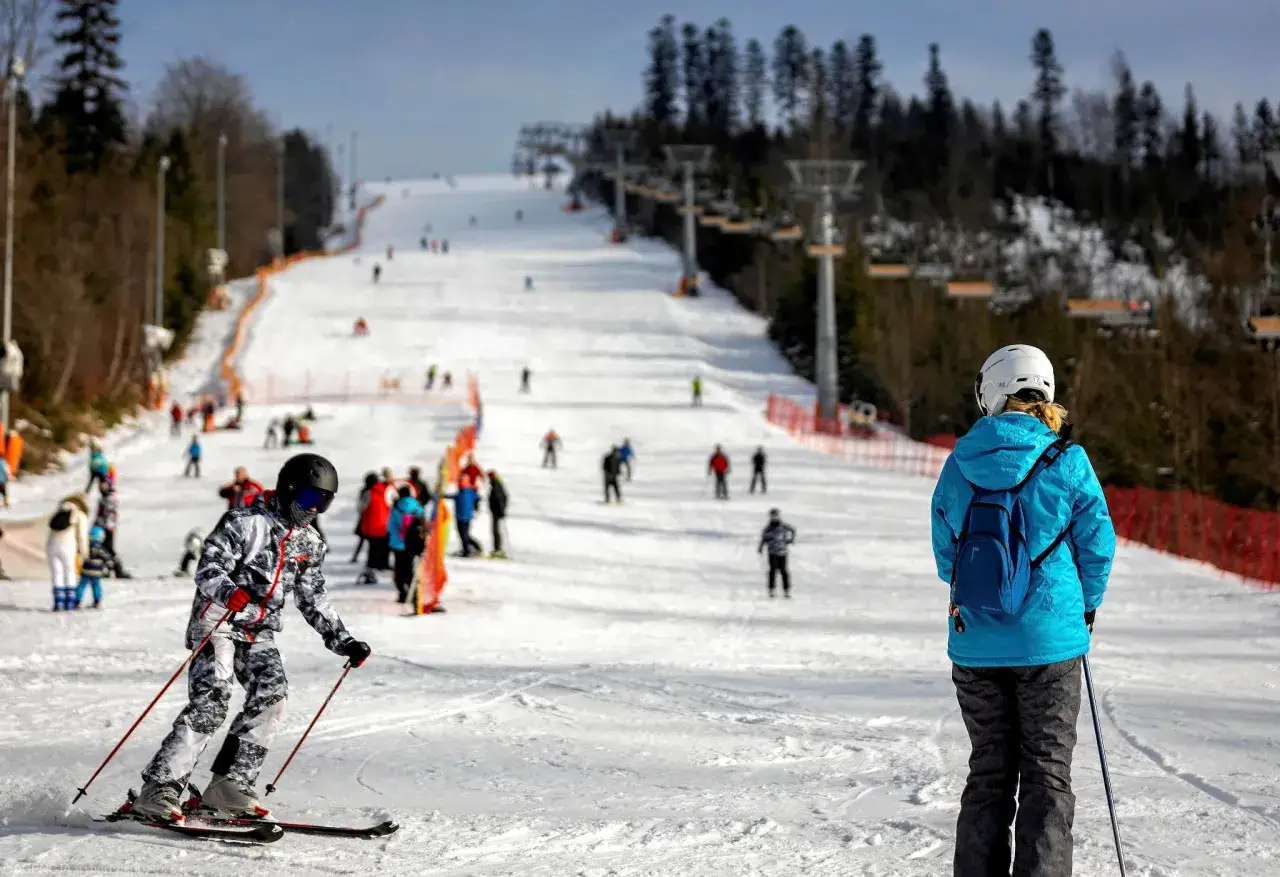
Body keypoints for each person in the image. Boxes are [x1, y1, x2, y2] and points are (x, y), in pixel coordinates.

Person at [930, 344, 1116, 877]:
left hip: (975, 642)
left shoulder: (959, 461)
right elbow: (1097, 544)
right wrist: (1087, 605)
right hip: (1049, 643)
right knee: (1048, 775)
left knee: (988, 772)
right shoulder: (1068, 460)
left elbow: (948, 557)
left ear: (991, 391)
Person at [130, 453, 371, 823]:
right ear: (290, 490)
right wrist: (229, 592)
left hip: (258, 632)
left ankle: (229, 784)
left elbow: (312, 597)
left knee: (272, 696)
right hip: (220, 623)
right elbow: (209, 567)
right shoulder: (244, 522)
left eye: (324, 502)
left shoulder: (309, 543)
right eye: (310, 499)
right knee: (213, 699)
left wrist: (344, 640)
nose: (314, 509)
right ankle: (160, 788)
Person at [47, 497, 89, 612]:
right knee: (70, 572)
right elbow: (82, 536)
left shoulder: (58, 512)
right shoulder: (80, 515)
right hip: (68, 545)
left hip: (51, 545)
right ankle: (70, 603)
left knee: (57, 573)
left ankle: (58, 603)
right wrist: (85, 553)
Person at [357, 470, 397, 582]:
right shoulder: (386, 490)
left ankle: (372, 565)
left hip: (370, 525)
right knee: (384, 546)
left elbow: (361, 508)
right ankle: (383, 564)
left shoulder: (368, 492)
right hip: (385, 524)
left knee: (372, 547)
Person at [387, 485, 425, 603]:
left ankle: (403, 593)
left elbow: (390, 526)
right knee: (411, 568)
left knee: (399, 568)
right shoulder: (418, 506)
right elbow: (423, 524)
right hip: (413, 543)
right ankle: (414, 593)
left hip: (398, 544)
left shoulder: (396, 507)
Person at [94, 480, 130, 578]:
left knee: (108, 549)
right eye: (101, 486)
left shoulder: (109, 498)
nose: (102, 488)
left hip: (108, 527)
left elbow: (108, 514)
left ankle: (118, 570)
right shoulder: (104, 498)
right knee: (102, 548)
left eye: (104, 486)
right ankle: (105, 569)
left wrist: (102, 524)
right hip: (103, 527)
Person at [757, 509, 796, 598]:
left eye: (776, 516)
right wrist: (760, 547)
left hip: (782, 552)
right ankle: (771, 590)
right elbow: (763, 539)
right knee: (772, 571)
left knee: (784, 571)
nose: (774, 517)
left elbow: (793, 530)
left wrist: (790, 540)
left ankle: (786, 590)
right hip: (772, 552)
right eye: (772, 516)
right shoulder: (768, 528)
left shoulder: (783, 526)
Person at [74, 526, 115, 609]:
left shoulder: (86, 547)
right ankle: (97, 602)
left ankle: (77, 602)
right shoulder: (101, 549)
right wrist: (110, 569)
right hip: (97, 572)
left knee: (81, 586)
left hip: (86, 571)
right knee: (96, 586)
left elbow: (80, 554)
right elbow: (108, 559)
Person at [449, 475, 483, 557]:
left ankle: (468, 550)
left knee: (463, 535)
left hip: (460, 518)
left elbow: (449, 496)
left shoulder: (459, 494)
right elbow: (478, 497)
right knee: (465, 534)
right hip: (467, 517)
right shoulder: (470, 493)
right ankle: (471, 548)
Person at [351, 472, 379, 568]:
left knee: (362, 540)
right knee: (372, 542)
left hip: (364, 519)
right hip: (371, 519)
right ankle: (371, 560)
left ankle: (355, 557)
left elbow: (360, 506)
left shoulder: (364, 491)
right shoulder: (373, 491)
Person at [486, 470, 508, 559]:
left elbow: (500, 499)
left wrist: (501, 511)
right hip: (496, 511)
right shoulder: (496, 484)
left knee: (495, 530)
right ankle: (497, 548)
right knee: (495, 530)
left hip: (497, 512)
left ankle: (498, 549)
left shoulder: (496, 485)